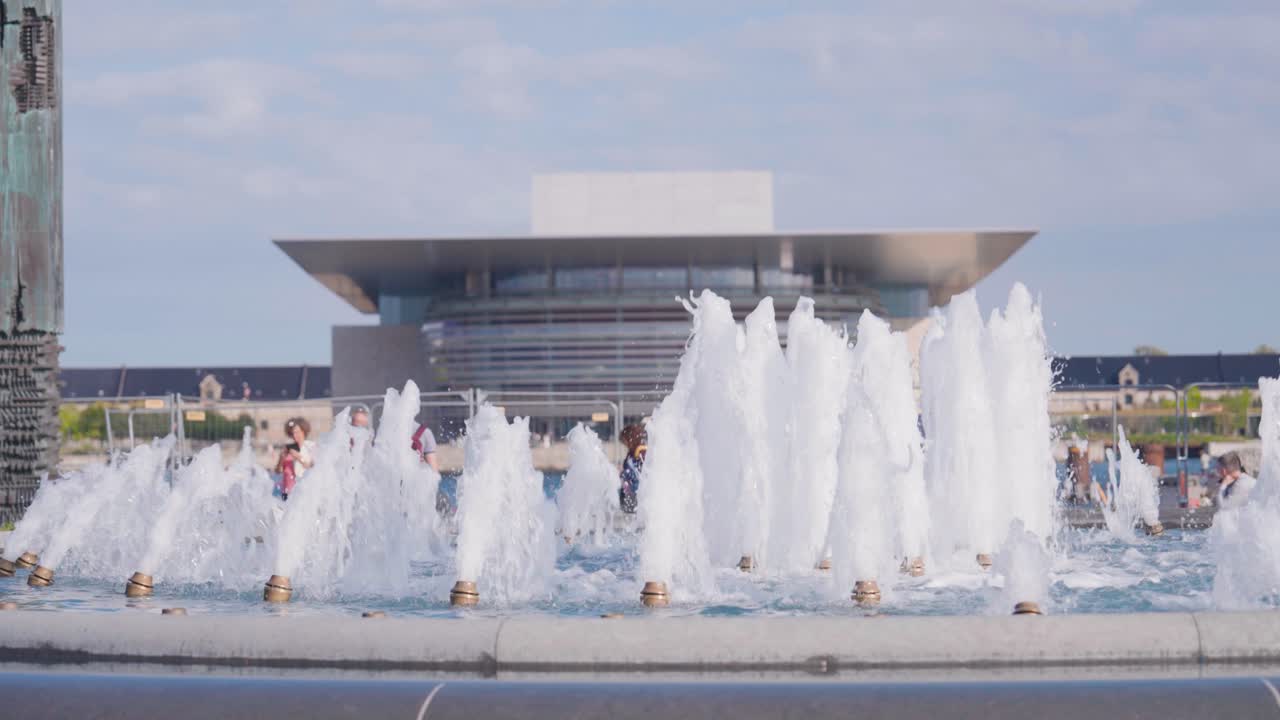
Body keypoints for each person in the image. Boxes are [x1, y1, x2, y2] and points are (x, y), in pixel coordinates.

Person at [274, 417, 315, 501]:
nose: (295, 435)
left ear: (304, 431)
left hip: (303, 489)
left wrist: (298, 457)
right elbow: (278, 471)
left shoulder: (311, 446)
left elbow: (313, 467)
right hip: (286, 490)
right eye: (292, 433)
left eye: (297, 432)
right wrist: (281, 459)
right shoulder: (288, 448)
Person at [618, 424, 646, 514]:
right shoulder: (632, 452)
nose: (624, 444)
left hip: (637, 493)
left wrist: (625, 473)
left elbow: (642, 472)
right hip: (631, 492)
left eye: (624, 440)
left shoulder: (641, 451)